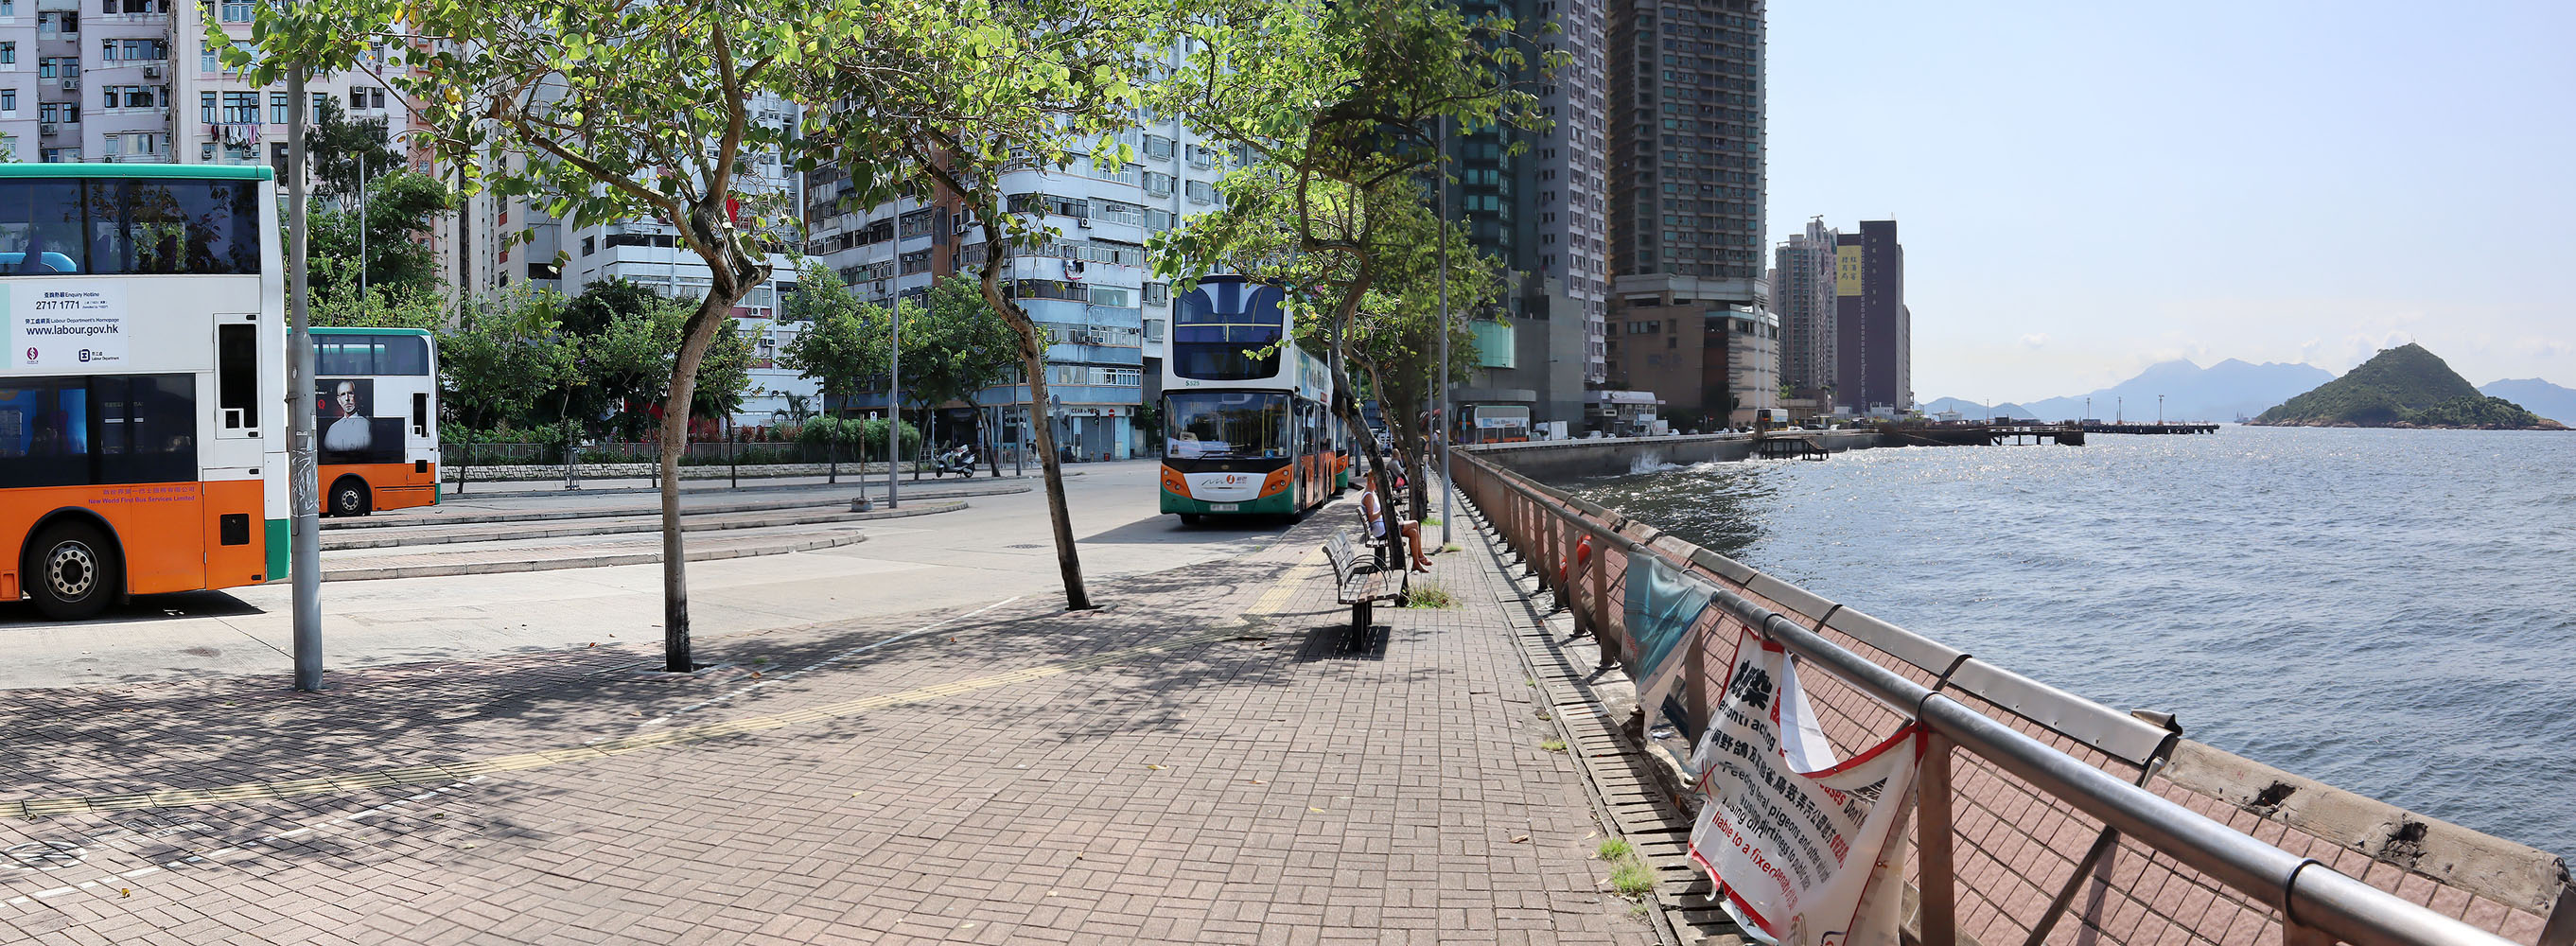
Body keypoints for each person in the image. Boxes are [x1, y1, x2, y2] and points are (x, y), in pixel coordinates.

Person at [1359, 466, 1433, 573]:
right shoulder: (1368, 496)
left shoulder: (1371, 493)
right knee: (1415, 523)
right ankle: (1421, 557)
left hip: (1383, 527)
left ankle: (1416, 564)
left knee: (1413, 532)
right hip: (1382, 531)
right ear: (1373, 480)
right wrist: (1384, 510)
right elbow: (1371, 517)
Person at [322, 380, 371, 454]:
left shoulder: (367, 425)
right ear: (339, 400)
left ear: (357, 396)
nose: (347, 398)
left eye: (350, 393)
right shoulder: (333, 428)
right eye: (343, 394)